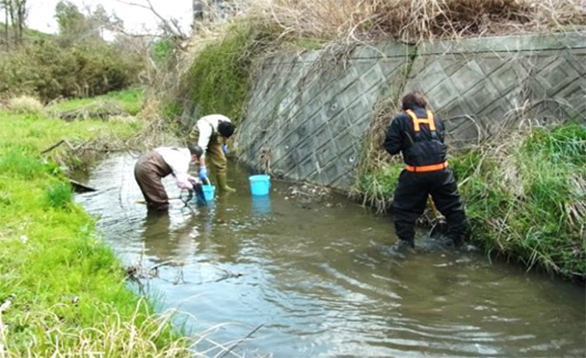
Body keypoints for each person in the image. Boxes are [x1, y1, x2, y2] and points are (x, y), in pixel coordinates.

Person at [383, 91, 468, 249]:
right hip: (441, 172)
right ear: (423, 105)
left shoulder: (400, 119)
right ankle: (457, 241)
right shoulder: (436, 119)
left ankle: (406, 245)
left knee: (404, 209)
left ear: (405, 107)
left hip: (416, 173)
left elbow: (391, 148)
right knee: (453, 206)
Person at [134, 145, 203, 211]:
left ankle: (152, 219)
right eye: (195, 160)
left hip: (140, 166)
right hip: (148, 170)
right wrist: (194, 187)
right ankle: (163, 221)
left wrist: (191, 179)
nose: (193, 162)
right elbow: (181, 183)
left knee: (152, 201)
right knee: (161, 203)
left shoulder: (177, 152)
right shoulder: (183, 159)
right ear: (194, 156)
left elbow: (177, 172)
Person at [189, 114, 236, 193]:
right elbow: (201, 150)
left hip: (214, 135)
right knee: (203, 164)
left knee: (221, 161)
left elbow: (226, 136)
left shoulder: (227, 123)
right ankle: (206, 188)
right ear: (219, 131)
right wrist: (203, 167)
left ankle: (223, 187)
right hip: (198, 135)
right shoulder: (206, 129)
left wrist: (224, 145)